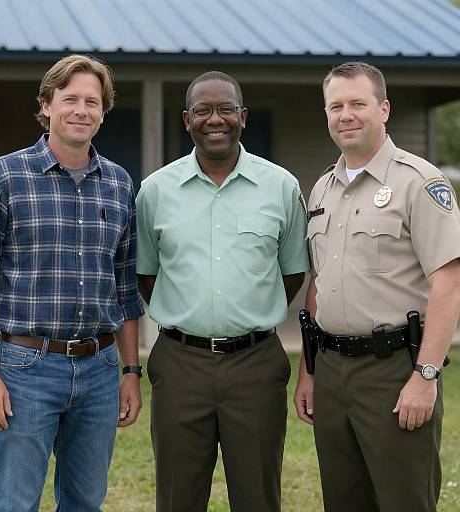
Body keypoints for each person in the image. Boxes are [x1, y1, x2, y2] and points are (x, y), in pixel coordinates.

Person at [0, 54, 144, 511]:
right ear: (46, 105)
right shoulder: (2, 177)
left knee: (85, 501)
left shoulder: (118, 184)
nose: (81, 110)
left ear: (103, 111)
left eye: (92, 102)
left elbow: (125, 291)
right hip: (24, 369)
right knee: (14, 503)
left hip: (99, 371)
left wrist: (131, 372)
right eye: (70, 99)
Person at [136, 71, 309, 512]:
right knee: (177, 496)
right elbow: (146, 275)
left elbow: (292, 272)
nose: (216, 119)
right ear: (186, 119)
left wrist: (248, 309)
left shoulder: (282, 187)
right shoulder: (155, 191)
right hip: (179, 365)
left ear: (243, 117)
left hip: (256, 365)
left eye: (226, 109)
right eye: (203, 110)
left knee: (258, 496)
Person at [294, 61, 460, 511]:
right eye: (335, 106)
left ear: (383, 109)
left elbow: (449, 282)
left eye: (357, 104)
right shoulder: (322, 190)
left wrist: (425, 377)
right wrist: (310, 372)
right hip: (331, 371)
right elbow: (319, 283)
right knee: (343, 501)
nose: (345, 115)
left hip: (394, 371)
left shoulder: (419, 182)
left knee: (404, 499)